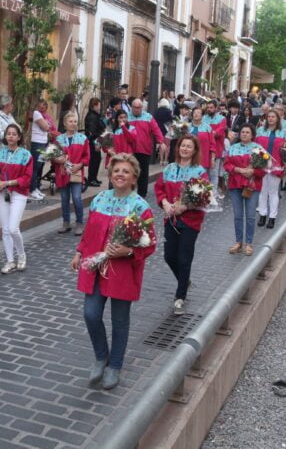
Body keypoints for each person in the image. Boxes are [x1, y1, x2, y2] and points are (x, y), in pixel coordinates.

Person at [69, 153, 156, 390]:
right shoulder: (99, 200)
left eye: (126, 171)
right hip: (95, 266)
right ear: (110, 175)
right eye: (117, 170)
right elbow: (89, 231)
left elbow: (150, 243)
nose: (120, 174)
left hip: (123, 272)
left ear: (134, 177)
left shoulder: (140, 207)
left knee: (120, 320)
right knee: (91, 314)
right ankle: (101, 355)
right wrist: (79, 251)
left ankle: (115, 365)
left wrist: (127, 251)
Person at [154, 135, 208, 315]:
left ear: (194, 151)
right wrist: (165, 203)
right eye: (182, 146)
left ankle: (180, 296)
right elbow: (159, 189)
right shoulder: (169, 169)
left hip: (190, 221)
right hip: (171, 219)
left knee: (184, 258)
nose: (185, 149)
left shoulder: (199, 171)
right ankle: (184, 281)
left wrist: (184, 207)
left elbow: (204, 196)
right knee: (169, 256)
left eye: (189, 147)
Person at [0, 124, 34, 274]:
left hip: (18, 193)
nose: (11, 136)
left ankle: (21, 255)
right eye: (8, 134)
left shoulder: (26, 155)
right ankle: (10, 260)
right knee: (5, 230)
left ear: (19, 137)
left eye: (14, 134)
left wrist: (8, 183)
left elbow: (27, 178)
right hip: (2, 193)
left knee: (13, 228)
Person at [223, 124, 266, 256]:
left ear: (252, 135)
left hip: (252, 185)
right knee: (238, 215)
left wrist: (253, 171)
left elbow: (264, 168)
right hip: (235, 184)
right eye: (242, 132)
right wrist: (239, 170)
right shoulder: (233, 148)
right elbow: (226, 164)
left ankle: (249, 243)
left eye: (247, 132)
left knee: (251, 215)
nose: (244, 134)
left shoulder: (258, 149)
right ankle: (238, 242)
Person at [255, 110, 286, 229]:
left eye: (273, 117)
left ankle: (272, 217)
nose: (270, 119)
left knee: (273, 192)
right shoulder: (260, 131)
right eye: (268, 116)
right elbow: (255, 147)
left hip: (276, 166)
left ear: (277, 119)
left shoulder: (283, 132)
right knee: (262, 191)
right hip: (262, 165)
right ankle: (262, 214)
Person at [56, 113, 90, 235]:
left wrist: (80, 165)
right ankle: (66, 223)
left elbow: (87, 156)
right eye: (70, 121)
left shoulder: (82, 138)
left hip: (76, 173)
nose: (73, 124)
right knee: (64, 199)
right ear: (65, 124)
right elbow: (52, 156)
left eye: (75, 121)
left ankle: (80, 223)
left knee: (76, 198)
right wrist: (57, 159)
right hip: (63, 173)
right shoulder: (59, 139)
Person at [127, 98, 167, 197]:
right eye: (135, 107)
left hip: (144, 149)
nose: (137, 110)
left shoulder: (148, 117)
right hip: (129, 150)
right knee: (129, 171)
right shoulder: (126, 117)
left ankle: (142, 193)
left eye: (139, 108)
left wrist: (161, 142)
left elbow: (156, 130)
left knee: (143, 173)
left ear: (142, 107)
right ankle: (128, 192)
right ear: (131, 107)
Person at [29, 99, 57, 200]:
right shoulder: (36, 113)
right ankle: (32, 190)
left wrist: (47, 125)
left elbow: (49, 126)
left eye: (45, 105)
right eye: (41, 105)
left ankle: (36, 188)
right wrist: (47, 125)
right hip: (37, 143)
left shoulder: (45, 116)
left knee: (40, 166)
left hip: (43, 142)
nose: (42, 107)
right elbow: (46, 127)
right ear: (37, 105)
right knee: (35, 168)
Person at [84, 97, 105, 187]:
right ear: (94, 106)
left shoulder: (95, 115)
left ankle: (94, 178)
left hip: (97, 141)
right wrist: (96, 143)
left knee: (97, 159)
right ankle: (91, 179)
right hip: (93, 142)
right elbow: (92, 132)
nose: (100, 107)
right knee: (94, 160)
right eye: (99, 105)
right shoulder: (92, 116)